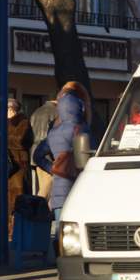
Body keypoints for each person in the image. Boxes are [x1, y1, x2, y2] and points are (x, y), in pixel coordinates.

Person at [34, 81, 92, 219]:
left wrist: (53, 168)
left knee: (59, 233)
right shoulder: (83, 130)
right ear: (79, 107)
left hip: (58, 193)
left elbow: (37, 156)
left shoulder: (53, 133)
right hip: (78, 188)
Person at [0, 97, 34, 239]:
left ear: (11, 109)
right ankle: (6, 230)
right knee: (2, 202)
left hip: (17, 168)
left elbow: (21, 141)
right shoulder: (2, 124)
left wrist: (2, 138)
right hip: (2, 168)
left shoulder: (24, 122)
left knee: (16, 202)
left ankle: (15, 232)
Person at [29, 98, 58, 199]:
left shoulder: (36, 111)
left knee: (42, 185)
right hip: (47, 154)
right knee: (46, 188)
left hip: (35, 151)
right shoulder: (56, 112)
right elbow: (51, 136)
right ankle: (36, 209)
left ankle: (40, 211)